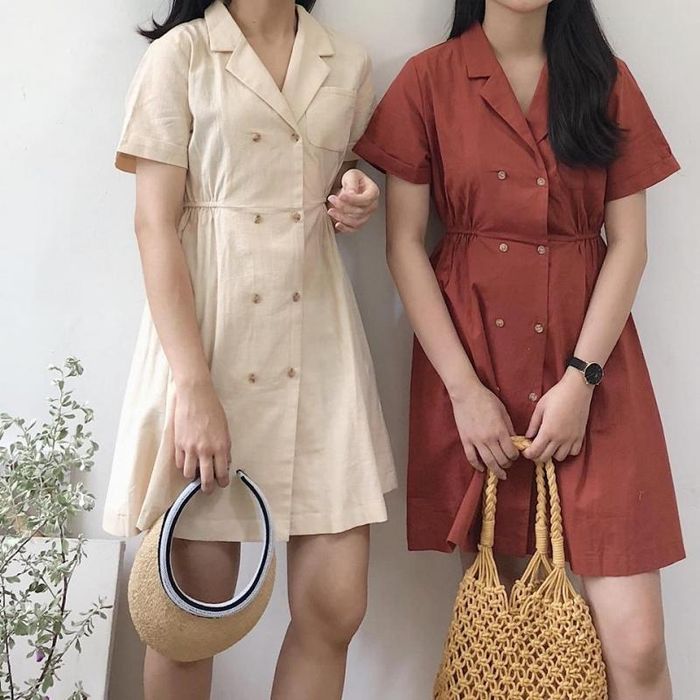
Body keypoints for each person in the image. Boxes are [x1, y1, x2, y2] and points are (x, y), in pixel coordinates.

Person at [354, 1, 684, 698]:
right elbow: (403, 246)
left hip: (595, 374)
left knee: (639, 647)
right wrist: (464, 393)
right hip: (480, 376)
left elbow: (629, 244)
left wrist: (581, 380)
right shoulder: (428, 80)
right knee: (512, 649)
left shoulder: (604, 79)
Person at [103, 1, 397, 698]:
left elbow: (334, 173)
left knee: (336, 605)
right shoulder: (181, 56)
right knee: (189, 613)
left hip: (317, 344)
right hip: (209, 340)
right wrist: (193, 388)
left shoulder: (345, 61)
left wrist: (355, 191)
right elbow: (153, 225)